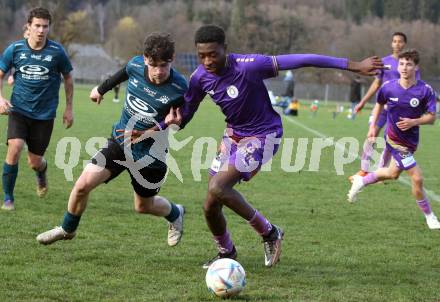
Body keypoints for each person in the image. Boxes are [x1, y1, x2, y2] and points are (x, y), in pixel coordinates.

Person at [128, 24, 383, 268]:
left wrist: (354, 66)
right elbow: (184, 116)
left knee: (218, 186)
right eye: (201, 55)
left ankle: (270, 232)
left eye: (213, 54)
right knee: (209, 205)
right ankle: (226, 253)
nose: (207, 61)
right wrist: (158, 128)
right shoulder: (199, 78)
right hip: (233, 137)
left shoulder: (249, 66)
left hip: (264, 135)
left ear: (225, 48)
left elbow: (305, 59)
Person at [36, 33, 187, 247]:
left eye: (165, 65)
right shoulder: (135, 65)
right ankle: (67, 229)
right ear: (145, 59)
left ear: (172, 60)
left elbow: (182, 123)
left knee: (143, 206)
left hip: (151, 156)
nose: (159, 71)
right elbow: (122, 74)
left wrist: (165, 125)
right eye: (154, 65)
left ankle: (176, 213)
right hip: (119, 143)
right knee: (81, 186)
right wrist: (101, 89)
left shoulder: (180, 87)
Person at [347, 49, 440, 230]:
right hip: (394, 140)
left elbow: (432, 118)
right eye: (402, 64)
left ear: (416, 67)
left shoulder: (425, 90)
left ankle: (362, 181)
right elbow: (379, 105)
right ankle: (430, 217)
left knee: (392, 174)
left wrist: (415, 121)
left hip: (411, 142)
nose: (404, 67)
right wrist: (373, 125)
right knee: (417, 178)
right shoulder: (388, 87)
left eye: (409, 64)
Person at [0, 7, 74, 211]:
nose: (41, 30)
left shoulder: (57, 52)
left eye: (45, 26)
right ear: (28, 27)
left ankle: (41, 171)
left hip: (44, 115)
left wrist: (69, 108)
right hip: (19, 110)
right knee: (14, 149)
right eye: (37, 26)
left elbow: (68, 78)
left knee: (34, 162)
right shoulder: (15, 49)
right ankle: (8, 198)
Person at [349, 32, 420, 182]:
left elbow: (415, 88)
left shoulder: (411, 66)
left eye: (400, 41)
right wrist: (362, 101)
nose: (397, 44)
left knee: (389, 142)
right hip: (381, 108)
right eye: (394, 41)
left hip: (398, 112)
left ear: (404, 44)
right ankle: (363, 170)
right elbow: (376, 83)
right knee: (371, 135)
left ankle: (381, 171)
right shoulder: (384, 62)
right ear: (391, 43)